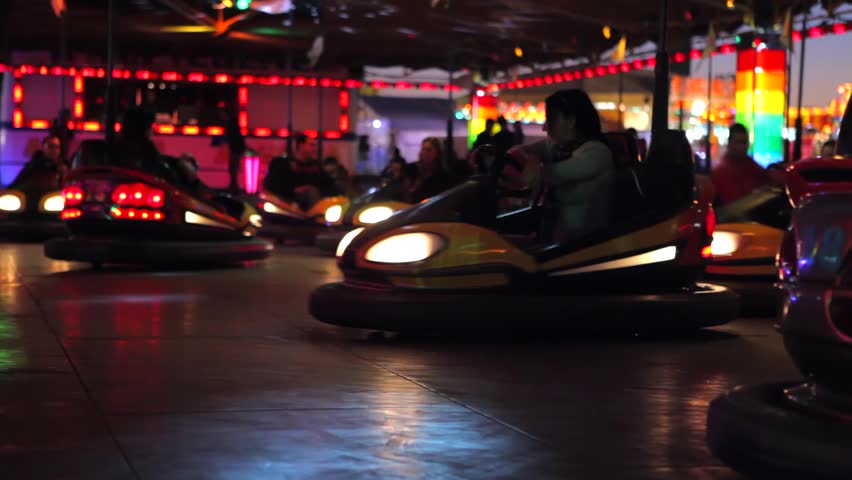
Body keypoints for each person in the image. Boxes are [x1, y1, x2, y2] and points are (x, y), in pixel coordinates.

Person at [541, 89, 615, 242]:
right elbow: (522, 151)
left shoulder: (597, 153)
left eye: (551, 120)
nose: (545, 127)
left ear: (571, 121)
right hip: (558, 244)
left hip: (584, 250)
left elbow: (555, 173)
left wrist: (535, 171)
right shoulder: (561, 148)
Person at [262, 133, 338, 210]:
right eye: (311, 145)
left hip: (316, 200)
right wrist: (294, 190)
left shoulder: (316, 166)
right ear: (301, 146)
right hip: (292, 202)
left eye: (314, 146)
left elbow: (328, 183)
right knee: (311, 192)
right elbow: (272, 183)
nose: (314, 149)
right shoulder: (285, 164)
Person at [711, 123, 774, 206]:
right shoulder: (721, 172)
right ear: (730, 144)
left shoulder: (751, 165)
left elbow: (767, 178)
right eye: (738, 142)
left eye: (744, 142)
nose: (741, 146)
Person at [112, 107, 169, 179]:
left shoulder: (117, 146)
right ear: (144, 128)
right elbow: (158, 170)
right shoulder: (146, 148)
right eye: (151, 126)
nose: (152, 130)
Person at [407, 137, 455, 203]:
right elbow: (407, 191)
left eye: (429, 150)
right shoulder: (413, 168)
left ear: (437, 152)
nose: (425, 152)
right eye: (423, 149)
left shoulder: (442, 175)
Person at [223, 106, 246, 194]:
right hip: (236, 148)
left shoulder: (231, 123)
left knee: (233, 169)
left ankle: (234, 188)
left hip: (235, 149)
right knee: (233, 169)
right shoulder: (234, 122)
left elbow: (232, 137)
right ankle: (233, 187)